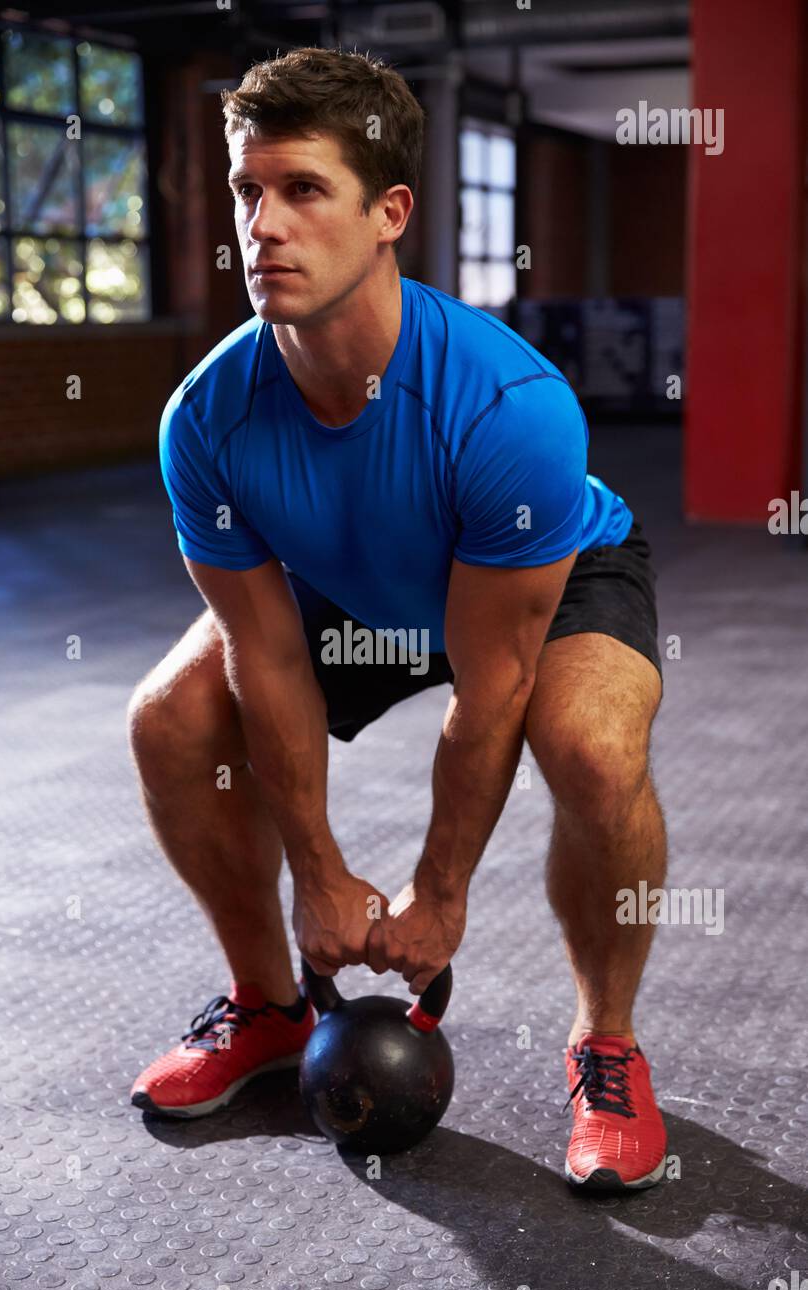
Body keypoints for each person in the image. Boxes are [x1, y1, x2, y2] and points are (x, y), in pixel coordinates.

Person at [128, 47, 667, 1190]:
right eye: (245, 191)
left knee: (590, 744)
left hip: (546, 571)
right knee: (170, 719)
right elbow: (264, 656)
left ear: (388, 213)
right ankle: (267, 1005)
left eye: (303, 190)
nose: (262, 226)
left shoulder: (506, 408)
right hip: (351, 574)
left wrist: (439, 892)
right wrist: (318, 876)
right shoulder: (207, 417)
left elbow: (491, 688)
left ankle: (605, 1042)